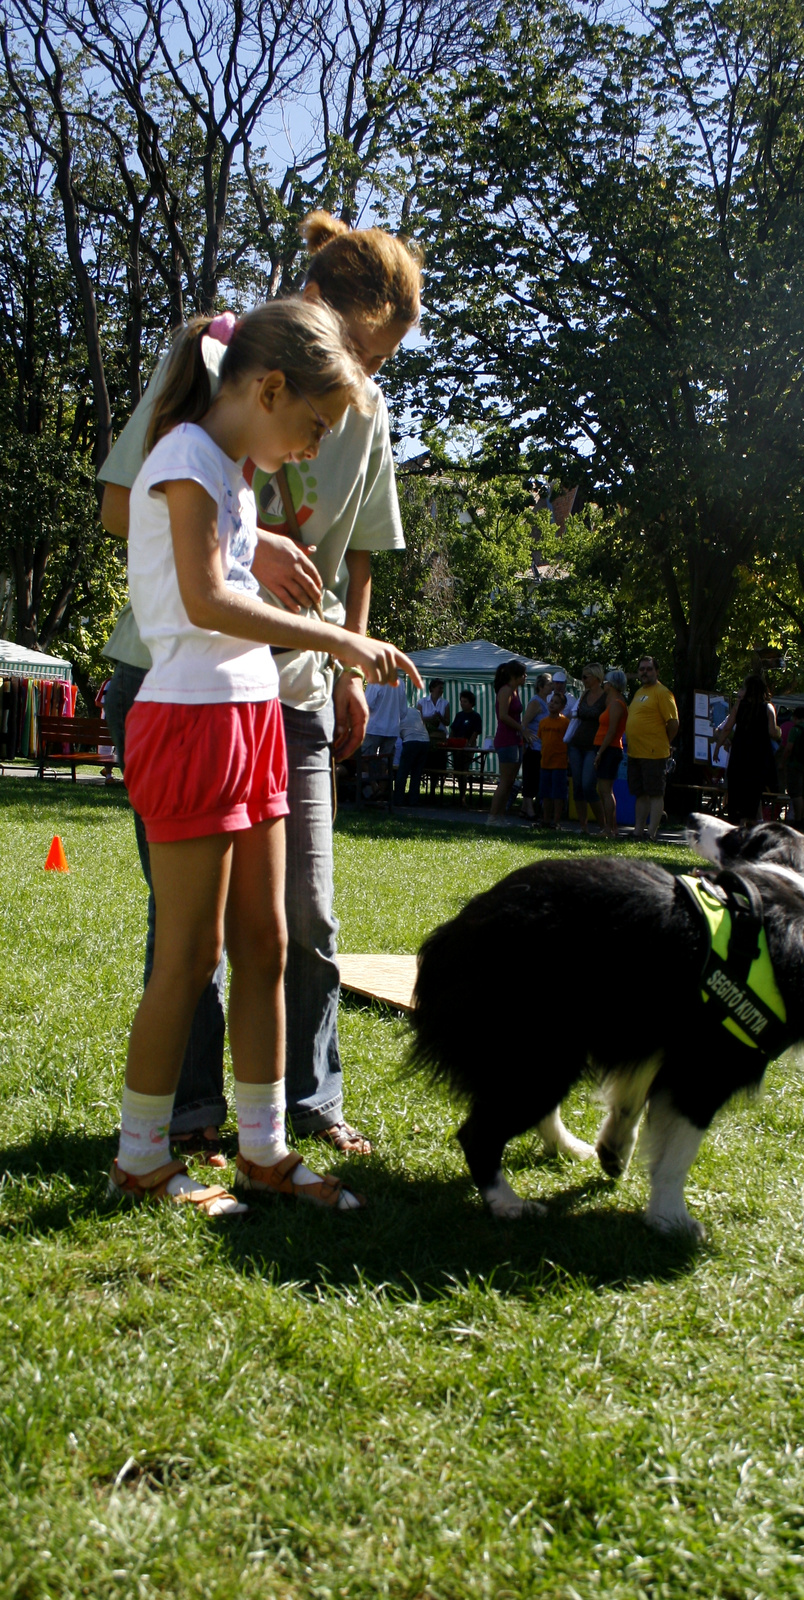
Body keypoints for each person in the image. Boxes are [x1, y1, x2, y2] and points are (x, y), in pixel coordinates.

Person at [99, 213, 422, 1162]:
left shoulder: (356, 415)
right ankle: (176, 1126)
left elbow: (362, 551)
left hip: (285, 689)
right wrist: (251, 540)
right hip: (183, 689)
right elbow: (141, 518)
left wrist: (344, 656)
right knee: (188, 935)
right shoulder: (214, 369)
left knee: (294, 918)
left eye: (380, 363)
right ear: (315, 314)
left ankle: (286, 1118)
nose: (365, 381)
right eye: (363, 350)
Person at [714, 676, 781, 825]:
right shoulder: (768, 707)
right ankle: (750, 824)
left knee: (736, 792)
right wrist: (779, 731)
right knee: (752, 795)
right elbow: (772, 732)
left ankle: (736, 824)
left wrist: (718, 747)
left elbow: (726, 728)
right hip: (758, 756)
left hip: (739, 754)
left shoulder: (739, 706)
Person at [626, 656, 679, 841]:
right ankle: (638, 832)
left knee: (655, 793)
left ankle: (651, 834)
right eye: (642, 669)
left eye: (649, 669)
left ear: (657, 671)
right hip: (636, 752)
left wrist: (664, 740)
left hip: (654, 752)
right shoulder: (639, 692)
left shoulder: (663, 692)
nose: (645, 672)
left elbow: (673, 722)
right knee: (640, 793)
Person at [568, 663, 607, 833]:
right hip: (576, 744)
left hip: (594, 746)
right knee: (577, 785)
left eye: (585, 677)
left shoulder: (606, 697)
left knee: (587, 785)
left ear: (596, 678)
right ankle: (583, 826)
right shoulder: (584, 695)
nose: (583, 680)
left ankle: (603, 826)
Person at [489, 660, 529, 824]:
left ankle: (501, 816)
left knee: (511, 780)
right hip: (506, 739)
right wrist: (521, 728)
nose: (525, 677)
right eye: (523, 674)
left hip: (516, 739)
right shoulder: (505, 690)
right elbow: (503, 716)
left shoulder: (516, 691)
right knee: (505, 780)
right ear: (514, 675)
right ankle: (492, 816)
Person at [593, 668, 628, 837]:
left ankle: (609, 829)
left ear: (611, 684)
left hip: (610, 749)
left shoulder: (617, 704)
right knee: (604, 790)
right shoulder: (612, 702)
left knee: (606, 790)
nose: (604, 684)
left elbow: (612, 731)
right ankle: (611, 828)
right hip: (607, 748)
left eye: (606, 682)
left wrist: (600, 752)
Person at [521, 672, 552, 820]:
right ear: (541, 686)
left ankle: (524, 807)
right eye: (549, 684)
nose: (551, 686)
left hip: (542, 746)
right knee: (531, 778)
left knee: (536, 778)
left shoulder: (545, 702)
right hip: (534, 747)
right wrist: (527, 735)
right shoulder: (536, 702)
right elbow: (524, 723)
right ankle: (529, 809)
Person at [538, 689, 570, 827]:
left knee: (558, 794)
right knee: (545, 793)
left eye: (556, 703)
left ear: (562, 707)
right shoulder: (543, 722)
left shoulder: (565, 722)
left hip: (559, 763)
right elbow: (540, 739)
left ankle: (556, 821)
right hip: (545, 762)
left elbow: (568, 742)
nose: (552, 704)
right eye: (551, 701)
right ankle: (546, 819)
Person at [780, 706, 804, 825]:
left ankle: (798, 819)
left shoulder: (795, 730)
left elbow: (788, 748)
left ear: (795, 717)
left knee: (796, 793)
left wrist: (782, 762)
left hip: (795, 763)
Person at [395, 692, 430, 805]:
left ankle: (398, 799)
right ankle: (413, 800)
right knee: (416, 772)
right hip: (425, 741)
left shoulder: (397, 713)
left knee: (403, 772)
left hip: (411, 741)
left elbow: (396, 733)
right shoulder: (415, 711)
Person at [449, 689, 482, 805]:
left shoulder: (475, 716)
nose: (462, 704)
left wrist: (468, 744)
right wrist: (450, 741)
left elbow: (476, 732)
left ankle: (462, 797)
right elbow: (453, 729)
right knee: (457, 770)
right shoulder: (459, 715)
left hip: (467, 747)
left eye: (465, 702)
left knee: (463, 770)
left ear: (471, 703)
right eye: (461, 701)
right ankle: (459, 795)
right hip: (456, 746)